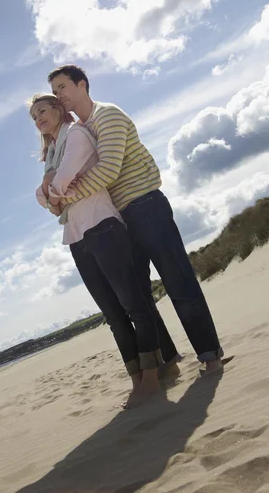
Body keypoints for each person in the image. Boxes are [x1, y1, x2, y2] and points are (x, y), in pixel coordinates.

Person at [45, 65, 224, 374]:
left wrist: (66, 198)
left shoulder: (108, 115)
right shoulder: (83, 130)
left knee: (177, 279)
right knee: (140, 294)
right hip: (121, 219)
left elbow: (108, 171)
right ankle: (170, 360)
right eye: (55, 89)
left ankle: (210, 355)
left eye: (63, 86)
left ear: (82, 85)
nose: (58, 94)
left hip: (145, 205)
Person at [29, 93, 180, 408]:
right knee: (113, 314)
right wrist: (50, 187)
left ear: (58, 109)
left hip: (103, 226)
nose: (38, 119)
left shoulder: (76, 135)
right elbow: (42, 199)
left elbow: (59, 186)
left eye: (42, 110)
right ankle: (137, 378)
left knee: (134, 306)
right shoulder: (52, 152)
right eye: (34, 117)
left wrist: (53, 190)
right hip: (77, 237)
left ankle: (155, 376)